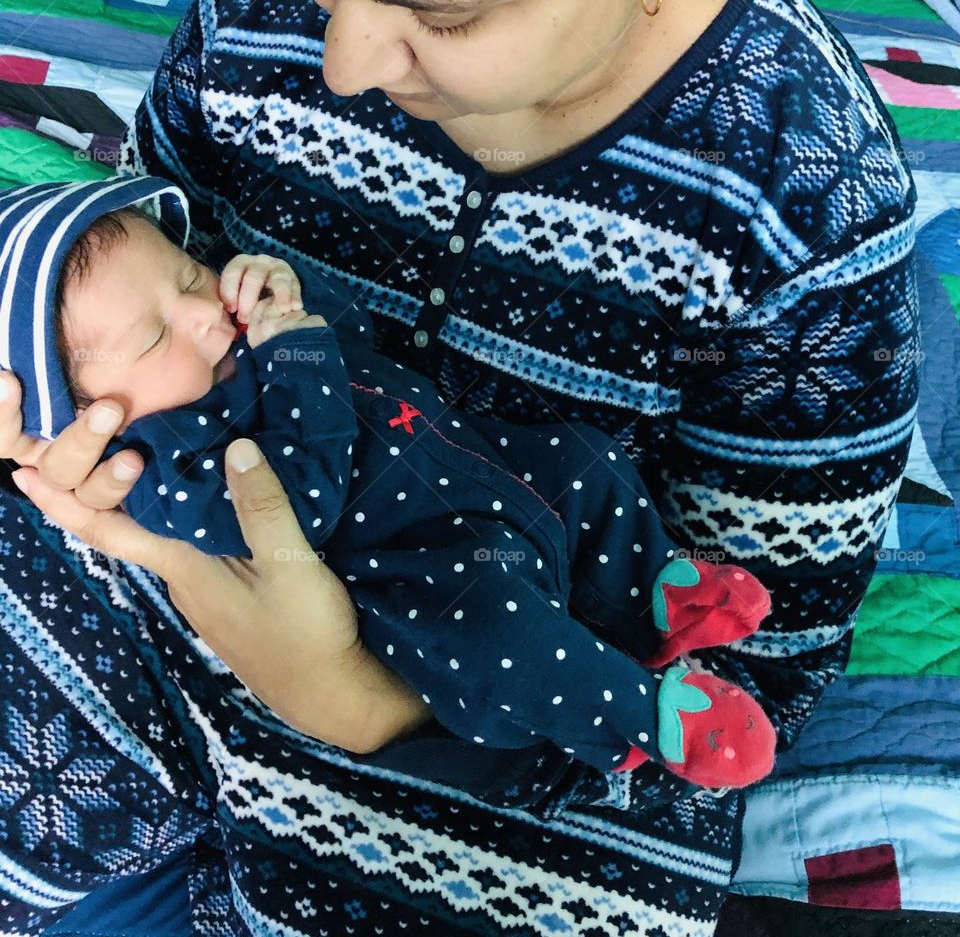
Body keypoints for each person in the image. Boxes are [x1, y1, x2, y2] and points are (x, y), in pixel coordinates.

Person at [0, 0, 921, 933]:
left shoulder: (804, 194)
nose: (343, 59)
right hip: (177, 561)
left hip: (510, 681)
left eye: (442, 11)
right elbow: (137, 275)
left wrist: (354, 698)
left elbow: (759, 658)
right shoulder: (265, 1)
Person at [1, 175, 776, 789]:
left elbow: (353, 338)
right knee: (507, 633)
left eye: (188, 273)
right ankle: (648, 719)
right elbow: (297, 504)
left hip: (494, 470)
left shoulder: (238, 339)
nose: (202, 314)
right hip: (438, 577)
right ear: (76, 415)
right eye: (152, 335)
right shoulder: (169, 468)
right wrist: (293, 352)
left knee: (590, 459)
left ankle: (653, 592)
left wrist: (288, 297)